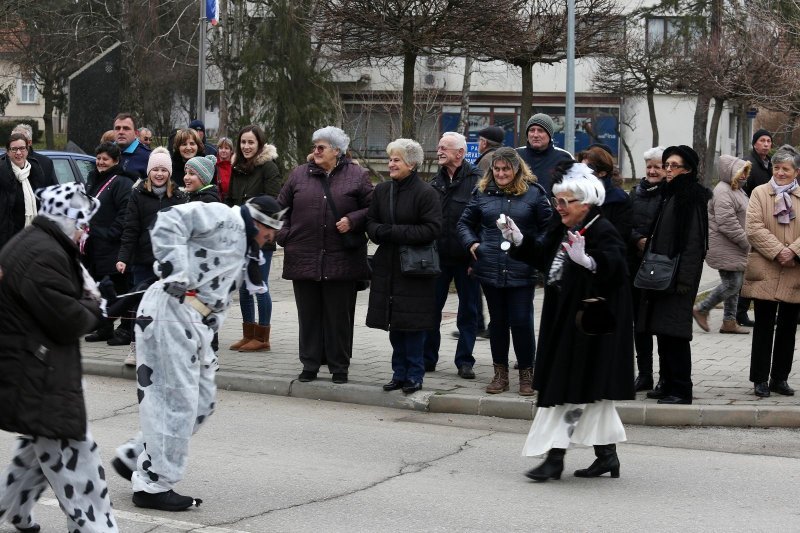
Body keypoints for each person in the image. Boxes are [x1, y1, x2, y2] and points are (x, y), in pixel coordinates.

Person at [112, 196, 286, 511]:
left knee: (202, 402)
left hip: (196, 324)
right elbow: (167, 219)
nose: (272, 238)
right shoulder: (222, 216)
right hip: (173, 312)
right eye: (271, 230)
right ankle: (153, 484)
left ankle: (136, 454)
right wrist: (176, 272)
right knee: (176, 401)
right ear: (261, 222)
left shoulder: (246, 244)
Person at [0, 182, 119, 533]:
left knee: (38, 449)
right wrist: (99, 308)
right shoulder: (43, 254)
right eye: (82, 224)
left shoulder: (41, 243)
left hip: (33, 365)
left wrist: (97, 303)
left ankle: (14, 508)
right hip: (38, 371)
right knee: (76, 459)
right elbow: (67, 320)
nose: (86, 230)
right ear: (66, 220)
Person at [505, 161, 633, 482]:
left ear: (585, 204)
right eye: (556, 201)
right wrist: (519, 240)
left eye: (564, 203)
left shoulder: (603, 229)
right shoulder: (563, 229)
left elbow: (617, 268)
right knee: (589, 395)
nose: (558, 208)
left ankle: (554, 458)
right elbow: (542, 255)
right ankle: (607, 456)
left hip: (588, 328)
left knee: (567, 391)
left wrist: (591, 262)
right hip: (562, 322)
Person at [277, 126, 372, 383]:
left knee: (338, 317)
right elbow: (279, 208)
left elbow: (373, 208)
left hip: (342, 260)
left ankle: (339, 366)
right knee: (308, 316)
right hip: (303, 256)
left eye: (321, 147)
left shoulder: (356, 175)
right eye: (314, 147)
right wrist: (284, 235)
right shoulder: (299, 174)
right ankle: (309, 364)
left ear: (337, 151)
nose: (315, 152)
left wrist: (353, 220)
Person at [457, 147, 552, 395]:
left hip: (521, 267)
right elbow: (464, 223)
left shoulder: (534, 194)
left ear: (517, 169)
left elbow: (548, 228)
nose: (500, 173)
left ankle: (526, 374)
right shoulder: (481, 192)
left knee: (521, 321)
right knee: (498, 323)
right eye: (497, 169)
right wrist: (472, 243)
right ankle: (500, 374)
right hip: (489, 266)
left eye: (505, 169)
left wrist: (532, 246)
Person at [367, 138, 442, 394]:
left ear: (411, 163)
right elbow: (371, 224)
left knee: (414, 326)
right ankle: (398, 373)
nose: (391, 164)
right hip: (388, 266)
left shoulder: (426, 193)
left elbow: (432, 229)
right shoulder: (382, 190)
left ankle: (415, 374)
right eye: (390, 159)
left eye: (396, 160)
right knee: (395, 324)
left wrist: (392, 232)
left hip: (415, 269)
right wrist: (380, 232)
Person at [637, 145, 711, 405]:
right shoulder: (670, 194)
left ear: (687, 169)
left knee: (676, 335)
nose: (668, 170)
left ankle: (681, 389)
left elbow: (695, 244)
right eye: (666, 165)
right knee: (663, 332)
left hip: (677, 279)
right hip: (662, 275)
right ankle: (666, 382)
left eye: (674, 166)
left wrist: (684, 281)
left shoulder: (690, 198)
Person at [117, 147, 187, 366]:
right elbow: (130, 229)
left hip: (170, 264)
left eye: (163, 170)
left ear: (169, 173)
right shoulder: (137, 195)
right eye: (155, 169)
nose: (159, 174)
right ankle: (137, 347)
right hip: (143, 261)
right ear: (148, 172)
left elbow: (185, 230)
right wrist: (123, 257)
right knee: (141, 304)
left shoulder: (179, 196)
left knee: (170, 304)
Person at [741, 144, 800, 398]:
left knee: (788, 327)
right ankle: (759, 379)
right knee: (764, 325)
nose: (780, 173)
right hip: (765, 265)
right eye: (777, 168)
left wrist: (794, 251)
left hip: (793, 270)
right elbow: (753, 227)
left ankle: (780, 378)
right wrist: (778, 251)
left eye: (786, 169)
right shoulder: (759, 193)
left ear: (796, 172)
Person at [423, 132, 483, 379]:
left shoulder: (478, 181)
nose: (439, 151)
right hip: (438, 257)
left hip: (466, 259)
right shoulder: (434, 182)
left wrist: (476, 259)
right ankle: (428, 359)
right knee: (430, 310)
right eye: (438, 147)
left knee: (468, 312)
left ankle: (464, 361)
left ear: (460, 153)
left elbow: (482, 221)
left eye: (444, 148)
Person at [225, 125, 282, 352]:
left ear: (260, 145)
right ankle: (248, 334)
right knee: (244, 288)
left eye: (251, 143)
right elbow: (230, 199)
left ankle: (263, 336)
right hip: (240, 236)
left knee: (260, 285)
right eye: (243, 142)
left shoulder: (268, 167)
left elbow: (272, 201)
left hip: (260, 239)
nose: (246, 147)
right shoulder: (237, 167)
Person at [82, 143, 135, 346]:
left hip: (112, 245)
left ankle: (125, 329)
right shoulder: (92, 179)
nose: (100, 163)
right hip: (94, 245)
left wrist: (111, 233)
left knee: (119, 289)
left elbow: (125, 211)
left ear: (115, 161)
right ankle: (104, 328)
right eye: (98, 158)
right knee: (99, 289)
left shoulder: (122, 182)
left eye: (105, 159)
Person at [692, 155, 751, 335]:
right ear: (729, 172)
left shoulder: (736, 190)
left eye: (746, 172)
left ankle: (729, 322)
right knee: (733, 283)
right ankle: (702, 308)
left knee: (733, 283)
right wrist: (746, 242)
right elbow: (727, 223)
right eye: (740, 172)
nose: (744, 176)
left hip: (733, 246)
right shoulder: (723, 191)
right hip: (726, 245)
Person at [629, 147, 667, 392]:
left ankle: (665, 376)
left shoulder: (669, 195)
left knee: (661, 325)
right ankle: (644, 374)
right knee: (639, 325)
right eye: (649, 167)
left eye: (658, 167)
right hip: (635, 266)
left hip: (661, 267)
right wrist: (636, 240)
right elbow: (624, 224)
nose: (652, 171)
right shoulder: (634, 194)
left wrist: (651, 242)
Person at [739, 128, 774, 327]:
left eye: (769, 141)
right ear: (755, 143)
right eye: (762, 140)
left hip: (767, 219)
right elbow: (743, 191)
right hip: (753, 218)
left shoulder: (769, 164)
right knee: (751, 269)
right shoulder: (749, 164)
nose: (766, 144)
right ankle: (739, 311)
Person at [0, 132, 48, 250]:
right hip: (8, 243)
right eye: (14, 149)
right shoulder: (2, 174)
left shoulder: (35, 172)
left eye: (22, 148)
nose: (18, 153)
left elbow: (43, 205)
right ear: (8, 152)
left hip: (32, 240)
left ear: (27, 150)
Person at [577, 145, 632, 243]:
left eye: (587, 168)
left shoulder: (619, 199)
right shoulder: (574, 194)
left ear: (602, 173)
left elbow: (619, 237)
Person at [516, 113, 573, 194]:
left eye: (540, 130)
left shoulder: (564, 157)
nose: (535, 135)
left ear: (549, 135)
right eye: (532, 130)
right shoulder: (516, 155)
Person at [114, 113, 151, 179]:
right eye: (117, 128)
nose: (121, 132)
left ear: (136, 133)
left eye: (126, 128)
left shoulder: (148, 156)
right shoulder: (107, 153)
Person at [215, 137, 234, 201]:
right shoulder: (213, 165)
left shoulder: (236, 165)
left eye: (226, 148)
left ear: (231, 151)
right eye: (221, 148)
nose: (223, 150)